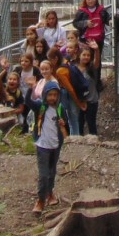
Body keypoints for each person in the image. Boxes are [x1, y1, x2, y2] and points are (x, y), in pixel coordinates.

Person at [32, 83, 68, 214]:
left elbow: (65, 123)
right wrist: (31, 88)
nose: (52, 97)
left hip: (55, 145)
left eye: (55, 95)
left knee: (52, 172)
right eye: (50, 95)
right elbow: (28, 102)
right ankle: (40, 200)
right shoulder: (40, 107)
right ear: (45, 95)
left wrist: (63, 123)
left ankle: (50, 193)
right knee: (43, 175)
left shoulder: (60, 108)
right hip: (43, 145)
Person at [75, 0, 107, 70]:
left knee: (97, 60)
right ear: (85, 0)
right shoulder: (81, 11)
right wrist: (85, 23)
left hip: (98, 40)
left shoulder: (101, 10)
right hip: (85, 40)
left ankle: (97, 77)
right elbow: (75, 23)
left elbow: (107, 19)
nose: (90, 1)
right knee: (85, 60)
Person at [77, 46, 101, 136]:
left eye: (88, 55)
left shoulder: (91, 68)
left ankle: (94, 140)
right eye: (84, 55)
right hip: (79, 101)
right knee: (79, 123)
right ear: (79, 55)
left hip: (91, 100)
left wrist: (96, 50)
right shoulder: (74, 68)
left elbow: (97, 62)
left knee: (91, 123)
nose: (86, 57)